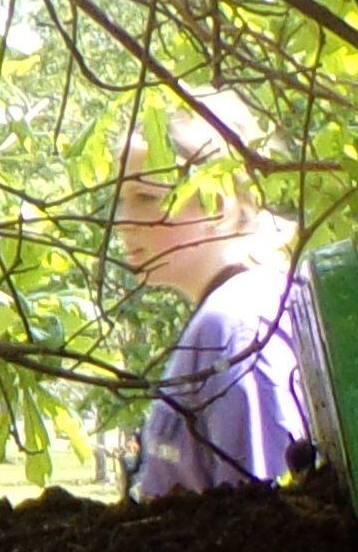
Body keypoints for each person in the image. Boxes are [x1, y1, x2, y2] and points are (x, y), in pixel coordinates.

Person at [112, 96, 325, 497]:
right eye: (121, 200)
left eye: (145, 198)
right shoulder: (228, 317)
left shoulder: (237, 333)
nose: (122, 222)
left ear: (218, 204)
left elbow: (262, 520)